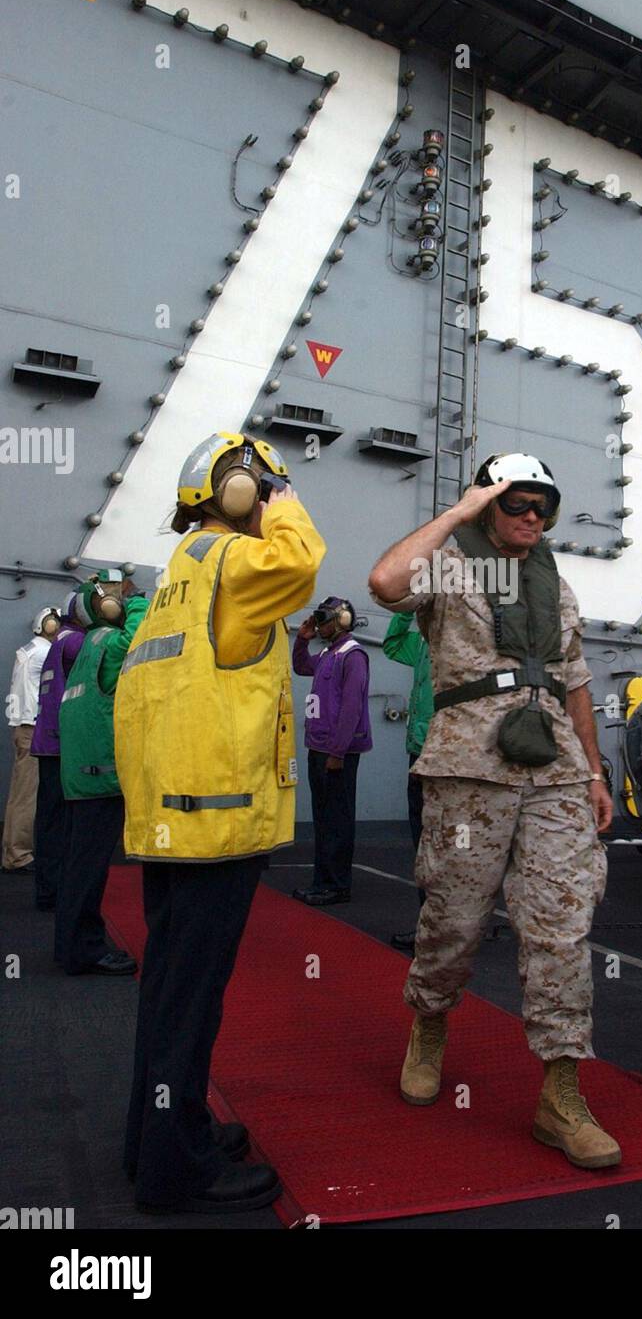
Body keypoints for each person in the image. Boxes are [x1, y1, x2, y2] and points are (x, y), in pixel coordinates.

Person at [368, 452, 620, 1170]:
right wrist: (457, 513)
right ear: (487, 504)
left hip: (557, 772)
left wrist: (596, 772)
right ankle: (429, 1023)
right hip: (469, 768)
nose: (532, 516)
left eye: (543, 504)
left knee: (563, 925)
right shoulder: (448, 565)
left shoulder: (557, 585)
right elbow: (384, 584)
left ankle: (561, 1095)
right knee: (454, 916)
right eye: (516, 503)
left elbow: (574, 683)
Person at [117, 431, 325, 1215]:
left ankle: (158, 1134)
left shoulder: (180, 573)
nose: (274, 499)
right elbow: (300, 564)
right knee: (190, 1001)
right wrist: (289, 510)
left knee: (169, 991)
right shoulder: (237, 563)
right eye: (265, 488)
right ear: (238, 492)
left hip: (170, 824)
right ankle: (178, 1170)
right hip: (212, 824)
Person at [56, 573, 146, 975]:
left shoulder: (84, 647)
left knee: (77, 866)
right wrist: (138, 601)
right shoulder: (108, 642)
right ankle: (84, 950)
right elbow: (137, 638)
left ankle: (72, 945)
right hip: (98, 776)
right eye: (109, 598)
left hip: (78, 775)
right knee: (88, 871)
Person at [291, 597, 371, 907]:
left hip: (336, 753)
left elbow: (351, 707)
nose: (321, 624)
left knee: (337, 820)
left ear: (343, 620)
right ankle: (321, 881)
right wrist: (302, 639)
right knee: (324, 819)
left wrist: (337, 752)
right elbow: (300, 666)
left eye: (325, 619)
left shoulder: (353, 656)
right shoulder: (327, 654)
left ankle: (336, 885)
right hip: (319, 748)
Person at [30, 594, 86, 910]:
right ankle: (55, 890)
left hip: (47, 740)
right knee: (62, 822)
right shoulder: (77, 643)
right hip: (62, 744)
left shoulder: (58, 641)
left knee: (48, 820)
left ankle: (47, 889)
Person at [382, 611, 433, 950]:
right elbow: (392, 644)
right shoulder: (423, 645)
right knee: (423, 845)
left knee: (442, 847)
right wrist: (405, 610)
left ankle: (442, 931)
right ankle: (432, 926)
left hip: (443, 757)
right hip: (418, 752)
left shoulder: (461, 646)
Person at [2, 607, 60, 874]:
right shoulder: (46, 652)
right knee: (27, 797)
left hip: (21, 727)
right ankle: (19, 855)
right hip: (33, 728)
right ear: (49, 626)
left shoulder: (28, 650)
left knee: (18, 796)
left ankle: (12, 851)